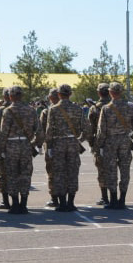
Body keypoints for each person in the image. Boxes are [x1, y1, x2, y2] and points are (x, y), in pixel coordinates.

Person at [0, 84, 42, 214]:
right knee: (25, 175)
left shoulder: (8, 111)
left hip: (11, 146)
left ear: (10, 96)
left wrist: (0, 150)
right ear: (21, 96)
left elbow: (4, 132)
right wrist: (36, 144)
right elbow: (38, 130)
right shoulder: (31, 110)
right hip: (26, 146)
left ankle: (15, 204)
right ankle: (24, 204)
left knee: (12, 175)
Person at [44, 83, 87, 212]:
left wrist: (49, 146)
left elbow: (49, 130)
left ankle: (62, 203)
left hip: (58, 143)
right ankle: (71, 202)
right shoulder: (77, 109)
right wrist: (79, 139)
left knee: (59, 173)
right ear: (70, 94)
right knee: (73, 172)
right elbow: (87, 128)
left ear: (59, 94)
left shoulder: (54, 109)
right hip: (73, 143)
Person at [96, 82, 133, 209]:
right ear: (121, 92)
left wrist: (99, 146)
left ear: (110, 92)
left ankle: (113, 200)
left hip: (110, 142)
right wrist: (131, 136)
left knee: (111, 171)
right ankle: (122, 200)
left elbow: (101, 130)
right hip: (125, 141)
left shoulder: (106, 108)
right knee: (125, 171)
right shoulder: (130, 107)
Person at [87, 83, 111, 205]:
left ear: (98, 93)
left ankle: (104, 197)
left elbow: (90, 128)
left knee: (101, 170)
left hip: (100, 142)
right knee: (113, 169)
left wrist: (92, 143)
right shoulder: (115, 106)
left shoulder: (94, 108)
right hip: (115, 141)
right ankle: (115, 195)